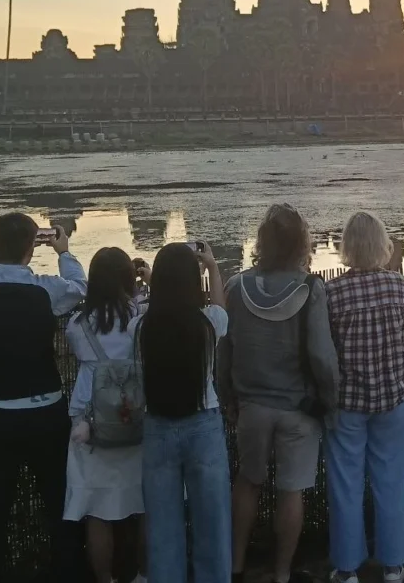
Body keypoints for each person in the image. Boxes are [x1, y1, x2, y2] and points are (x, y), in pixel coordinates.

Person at [0, 213, 88, 583]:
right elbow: (80, 287)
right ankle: (68, 572)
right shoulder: (45, 291)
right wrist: (63, 250)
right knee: (59, 502)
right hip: (46, 411)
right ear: (33, 248)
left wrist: (7, 251)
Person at [218, 204, 339, 583]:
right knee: (291, 491)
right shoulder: (311, 289)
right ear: (301, 242)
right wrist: (331, 401)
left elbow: (226, 349)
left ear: (262, 241)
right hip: (299, 411)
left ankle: (235, 567)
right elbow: (321, 355)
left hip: (251, 406)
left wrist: (227, 397)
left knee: (248, 482)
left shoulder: (236, 287)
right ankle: (283, 574)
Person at [324, 212, 404, 583]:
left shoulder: (332, 293)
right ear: (381, 245)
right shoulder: (397, 286)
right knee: (391, 479)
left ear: (346, 247)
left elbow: (327, 349)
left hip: (348, 402)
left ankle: (347, 569)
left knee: (345, 483)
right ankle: (393, 563)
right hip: (394, 396)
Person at [137, 241, 230, 583]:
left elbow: (156, 301)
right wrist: (214, 268)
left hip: (158, 425)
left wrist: (149, 282)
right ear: (194, 282)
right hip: (203, 424)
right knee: (213, 522)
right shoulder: (208, 324)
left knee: (162, 526)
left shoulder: (142, 327)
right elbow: (221, 308)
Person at [63, 247, 151, 583]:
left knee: (96, 510)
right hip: (136, 417)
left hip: (90, 421)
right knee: (144, 504)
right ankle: (143, 574)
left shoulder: (78, 325)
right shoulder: (140, 317)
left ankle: (105, 579)